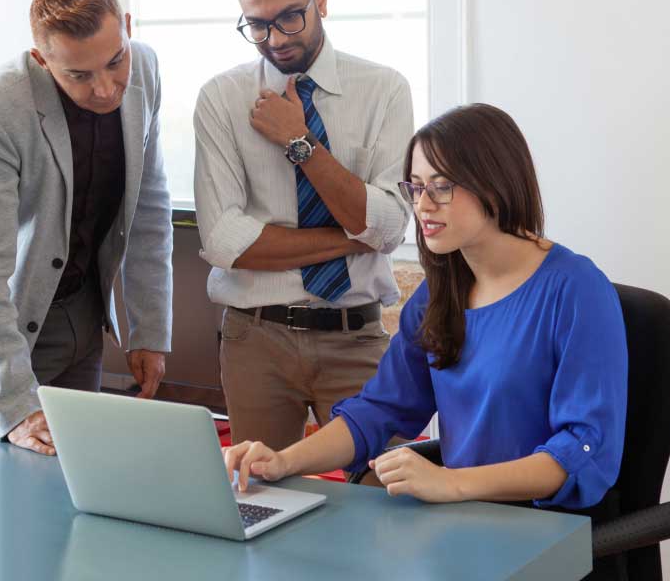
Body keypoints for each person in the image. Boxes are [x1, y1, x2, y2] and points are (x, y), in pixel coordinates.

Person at [224, 103, 628, 510]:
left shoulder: (576, 290)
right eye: (416, 187)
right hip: (461, 519)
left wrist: (452, 484)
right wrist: (282, 461)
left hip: (540, 528)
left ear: (495, 185)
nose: (423, 205)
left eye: (441, 187)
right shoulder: (441, 292)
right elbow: (380, 410)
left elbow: (582, 449)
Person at [0, 0, 173, 454]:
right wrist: (14, 406)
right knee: (12, 492)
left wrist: (150, 331)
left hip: (84, 312)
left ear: (128, 27)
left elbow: (150, 208)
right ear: (41, 60)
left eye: (115, 62)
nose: (106, 88)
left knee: (78, 478)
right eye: (79, 75)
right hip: (6, 318)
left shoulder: (147, 70)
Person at [193, 0, 414, 450]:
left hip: (356, 337)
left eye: (290, 17)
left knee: (386, 498)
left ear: (321, 1)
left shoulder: (385, 90)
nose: (274, 38)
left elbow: (390, 226)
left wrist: (300, 142)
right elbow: (227, 244)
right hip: (256, 338)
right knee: (262, 500)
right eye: (257, 24)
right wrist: (351, 237)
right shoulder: (223, 99)